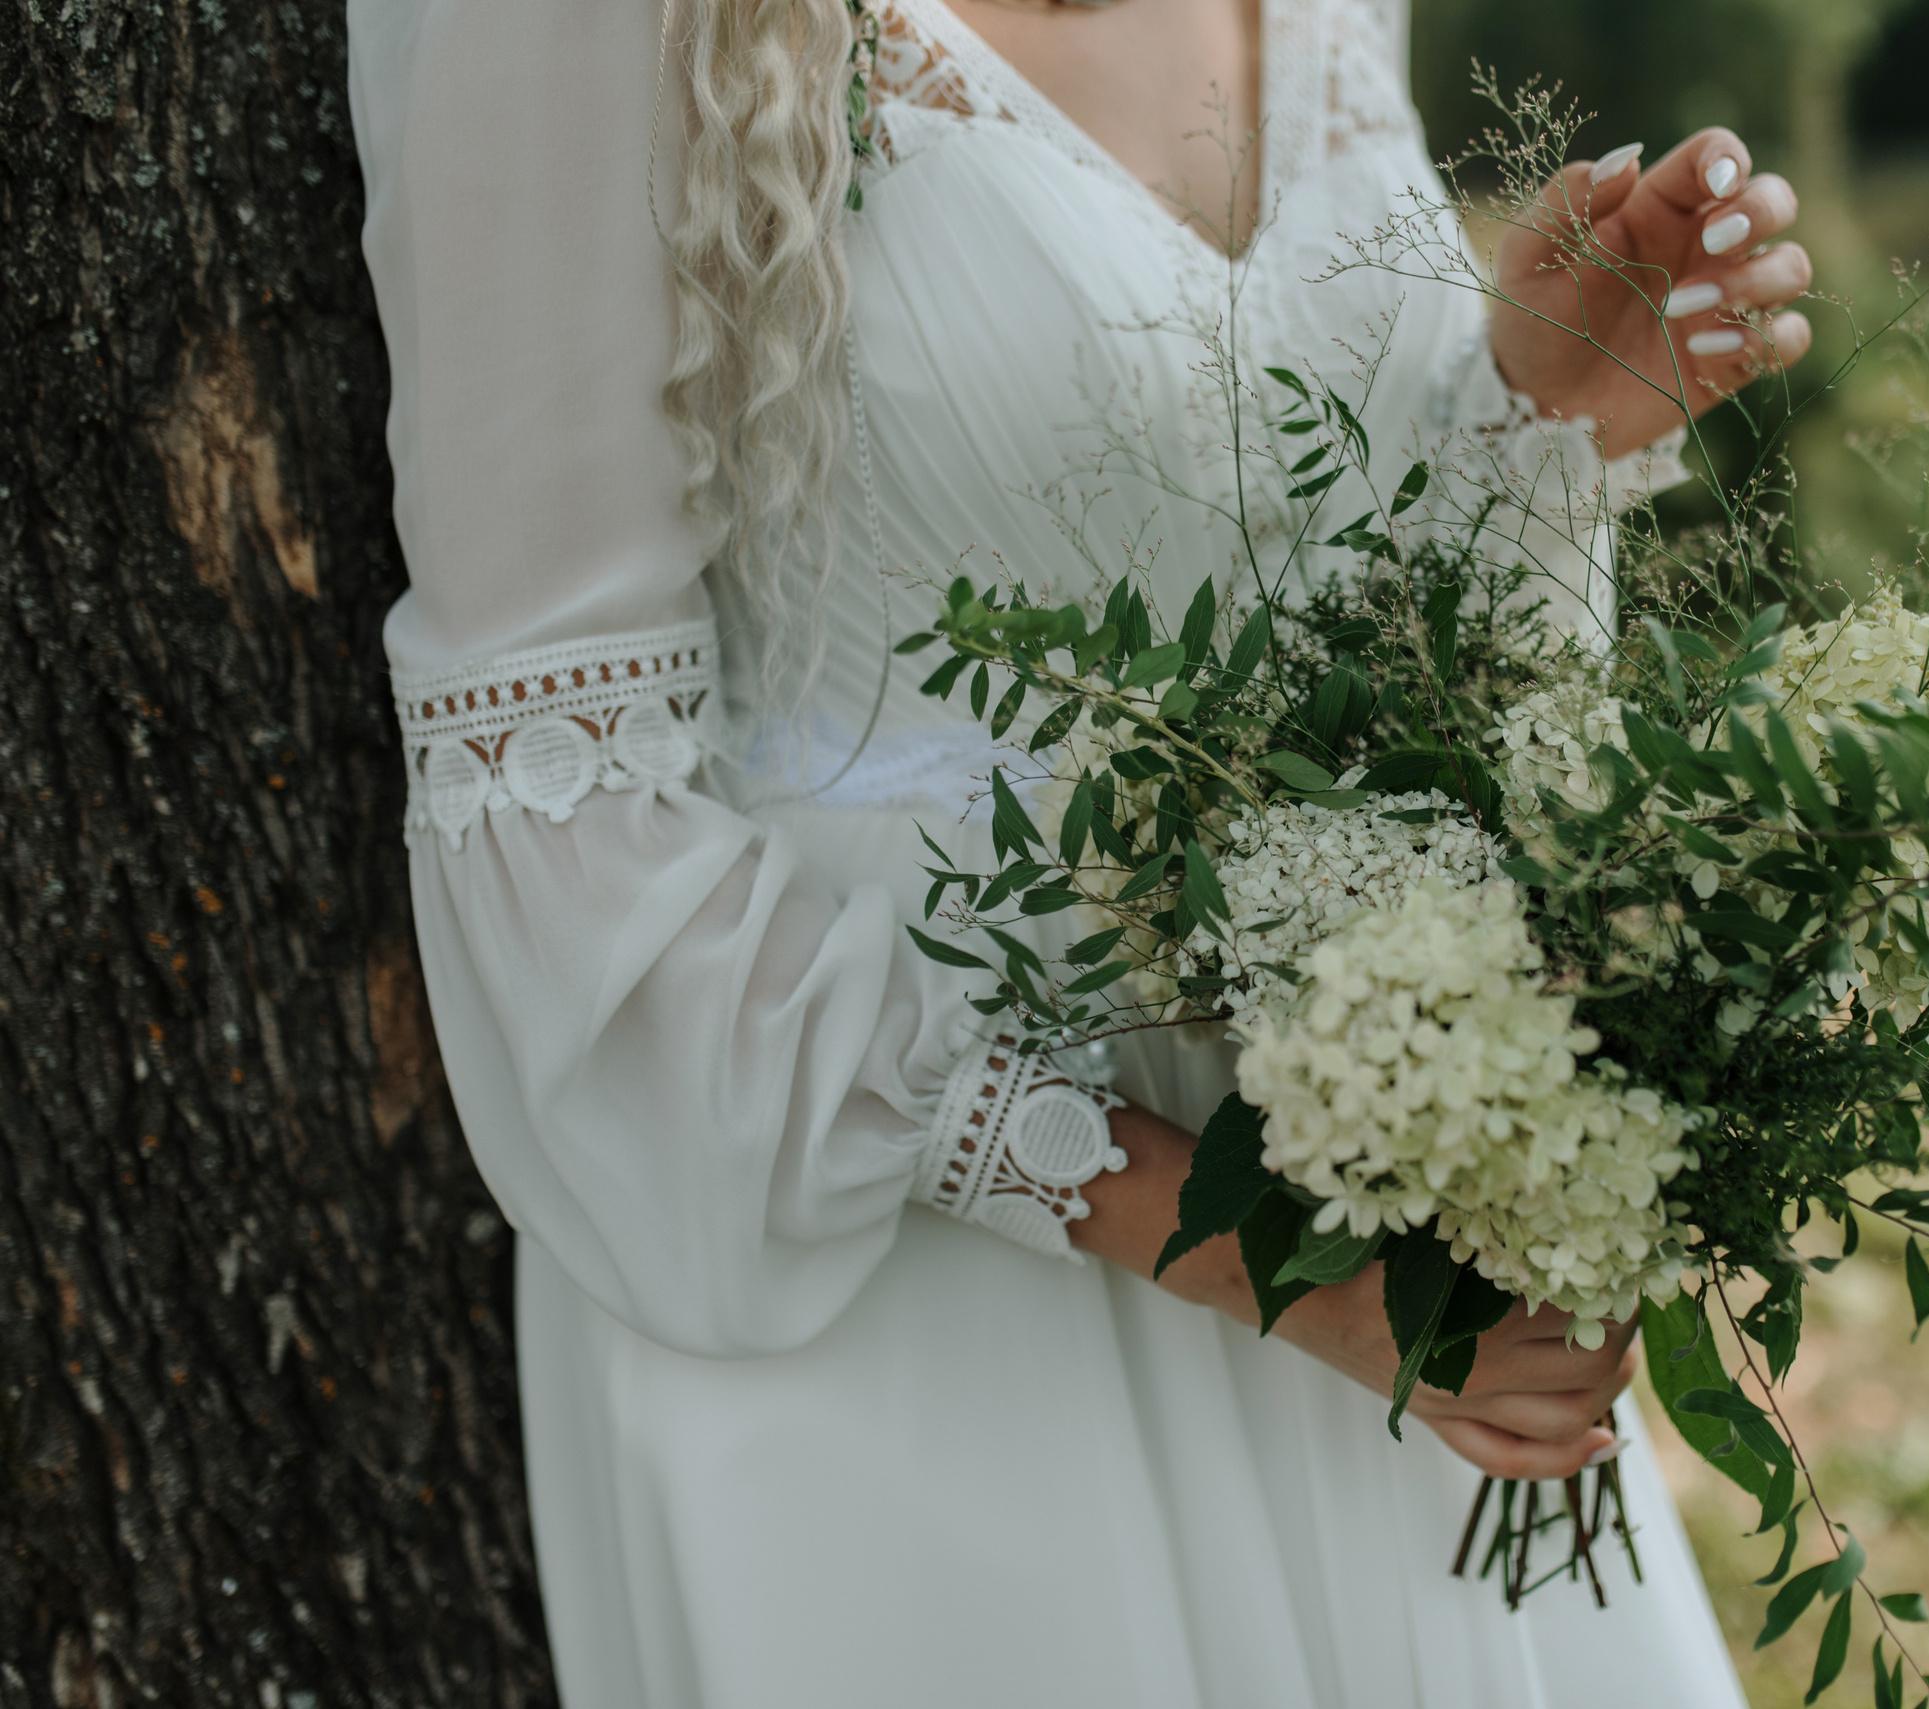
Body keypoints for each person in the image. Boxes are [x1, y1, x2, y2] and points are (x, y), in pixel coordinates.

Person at [347, 0, 1813, 1701]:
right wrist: (1262, 1258)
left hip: (1382, 1232)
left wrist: (1533, 418)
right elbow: (559, 797)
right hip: (888, 1257)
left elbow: (1301, 593)